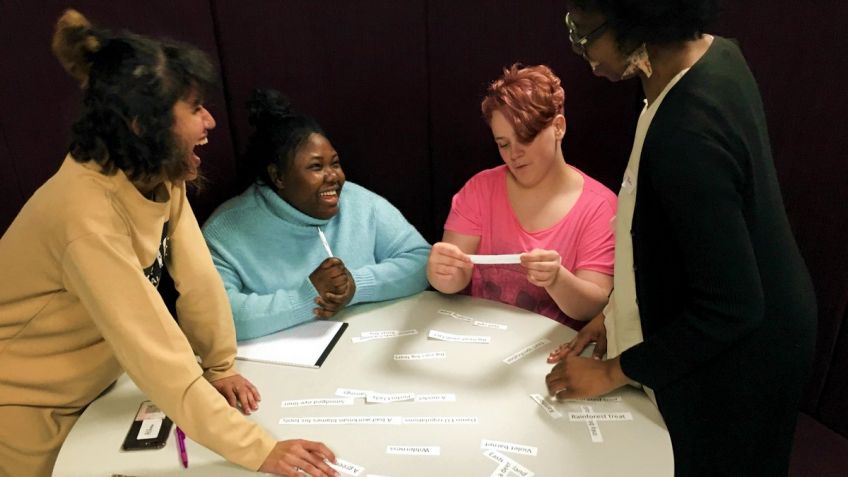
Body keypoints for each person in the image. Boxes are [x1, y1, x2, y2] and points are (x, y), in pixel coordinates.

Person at [0, 10, 339, 477]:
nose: (210, 121)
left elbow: (197, 280)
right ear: (143, 123)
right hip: (25, 410)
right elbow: (153, 349)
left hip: (96, 392)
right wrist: (259, 449)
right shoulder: (84, 217)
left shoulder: (159, 170)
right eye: (195, 107)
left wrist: (219, 367)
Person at [545, 1, 817, 475]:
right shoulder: (713, 56)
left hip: (746, 356)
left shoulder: (685, 130)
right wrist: (617, 310)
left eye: (585, 34)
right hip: (763, 309)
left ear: (637, 24)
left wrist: (612, 372)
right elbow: (665, 236)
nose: (579, 48)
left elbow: (731, 306)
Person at [202, 89, 430, 340]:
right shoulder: (226, 230)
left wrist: (356, 285)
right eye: (316, 167)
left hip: (368, 346)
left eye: (335, 163)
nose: (333, 176)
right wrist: (306, 298)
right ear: (278, 176)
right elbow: (216, 316)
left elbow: (422, 261)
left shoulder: (360, 202)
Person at [426, 64, 616, 330]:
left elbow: (593, 307)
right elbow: (454, 280)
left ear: (558, 127)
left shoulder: (599, 207)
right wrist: (442, 274)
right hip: (475, 338)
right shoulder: (480, 189)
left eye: (526, 137)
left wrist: (557, 279)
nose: (514, 154)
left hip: (549, 354)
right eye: (503, 144)